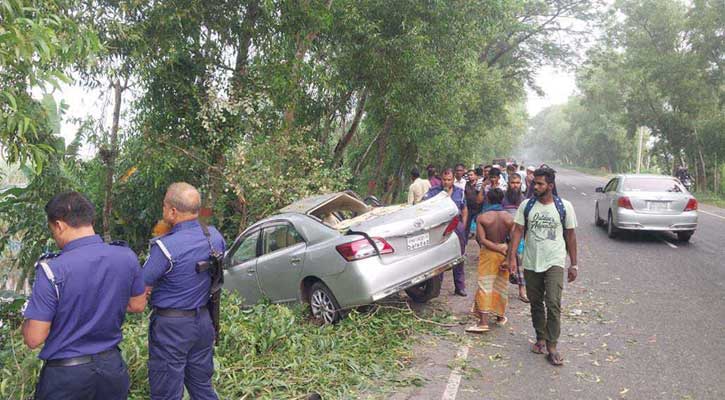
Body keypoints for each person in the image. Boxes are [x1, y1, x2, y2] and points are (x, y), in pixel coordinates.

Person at [22, 191, 147, 400]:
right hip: (111, 370)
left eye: (53, 229)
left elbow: (34, 338)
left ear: (60, 225)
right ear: (91, 219)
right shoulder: (126, 257)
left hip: (66, 377)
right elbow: (137, 305)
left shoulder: (53, 270)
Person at [143, 182, 226, 399]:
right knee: (202, 387)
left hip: (172, 328)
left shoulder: (165, 248)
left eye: (164, 206)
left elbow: (141, 285)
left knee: (166, 393)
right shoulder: (214, 237)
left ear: (172, 211)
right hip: (203, 322)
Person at [505, 167, 578, 366]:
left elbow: (570, 236)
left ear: (550, 186)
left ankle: (552, 346)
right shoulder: (526, 206)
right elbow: (517, 231)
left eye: (539, 184)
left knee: (553, 303)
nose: (535, 187)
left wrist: (574, 264)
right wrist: (511, 258)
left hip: (554, 261)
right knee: (536, 303)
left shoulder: (565, 207)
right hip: (531, 261)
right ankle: (540, 337)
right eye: (533, 183)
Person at [466, 188, 512, 333]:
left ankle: (483, 322)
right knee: (501, 284)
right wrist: (504, 250)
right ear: (502, 200)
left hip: (489, 253)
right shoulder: (509, 218)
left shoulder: (483, 218)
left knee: (485, 285)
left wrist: (496, 248)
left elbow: (482, 240)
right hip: (504, 252)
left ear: (488, 199)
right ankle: (499, 316)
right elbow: (514, 240)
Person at [423, 168, 468, 296]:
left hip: (457, 226)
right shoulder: (433, 192)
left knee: (459, 256)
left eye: (449, 180)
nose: (446, 182)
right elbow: (425, 208)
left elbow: (464, 209)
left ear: (453, 180)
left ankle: (460, 287)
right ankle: (437, 287)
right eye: (444, 179)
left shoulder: (460, 192)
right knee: (439, 256)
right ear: (441, 179)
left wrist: (463, 225)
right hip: (440, 228)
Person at [503, 173, 528, 303]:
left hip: (519, 236)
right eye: (513, 183)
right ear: (508, 184)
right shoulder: (503, 198)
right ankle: (501, 292)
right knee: (502, 262)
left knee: (520, 262)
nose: (515, 185)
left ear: (521, 184)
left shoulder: (524, 200)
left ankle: (522, 291)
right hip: (502, 235)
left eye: (517, 183)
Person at [464, 168, 484, 239]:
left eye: (471, 175)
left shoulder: (480, 184)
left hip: (478, 208)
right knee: (467, 224)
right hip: (469, 208)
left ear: (476, 176)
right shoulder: (465, 185)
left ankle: (480, 238)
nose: (470, 176)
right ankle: (465, 239)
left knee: (479, 225)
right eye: (468, 175)